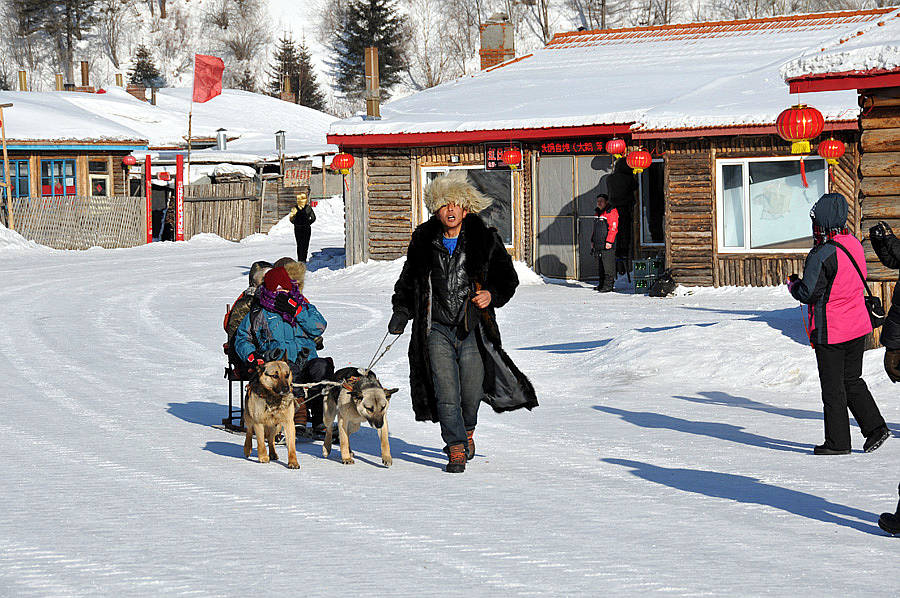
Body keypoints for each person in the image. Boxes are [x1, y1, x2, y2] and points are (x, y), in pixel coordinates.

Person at [388, 171, 538, 473]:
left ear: (466, 208)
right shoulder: (423, 240)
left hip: (472, 328)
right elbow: (409, 281)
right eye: (444, 205)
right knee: (446, 392)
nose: (451, 210)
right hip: (436, 329)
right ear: (436, 209)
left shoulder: (485, 239)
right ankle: (455, 447)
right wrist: (402, 311)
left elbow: (507, 280)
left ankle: (467, 430)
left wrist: (490, 295)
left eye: (456, 204)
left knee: (470, 392)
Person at [788, 193, 889, 455]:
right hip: (857, 326)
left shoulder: (822, 253)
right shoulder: (854, 243)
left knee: (833, 389)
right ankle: (876, 428)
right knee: (852, 380)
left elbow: (808, 293)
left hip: (832, 330)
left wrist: (793, 285)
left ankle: (838, 443)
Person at [234, 264, 333, 432]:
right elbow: (243, 338)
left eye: (285, 291)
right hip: (277, 361)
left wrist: (297, 310)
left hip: (306, 358)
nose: (282, 296)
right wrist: (251, 355)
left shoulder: (303, 306)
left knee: (322, 368)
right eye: (277, 292)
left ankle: (320, 417)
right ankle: (297, 413)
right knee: (287, 371)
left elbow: (319, 326)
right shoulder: (259, 313)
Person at [590, 193, 618, 292]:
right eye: (598, 201)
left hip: (607, 244)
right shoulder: (597, 213)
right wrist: (592, 240)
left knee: (608, 265)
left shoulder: (611, 212)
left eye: (601, 201)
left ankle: (609, 285)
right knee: (600, 265)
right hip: (598, 243)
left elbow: (613, 228)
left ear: (606, 202)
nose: (599, 203)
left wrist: (609, 241)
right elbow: (595, 229)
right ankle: (601, 284)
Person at [289, 189, 316, 262]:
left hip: (298, 229)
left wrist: (296, 223)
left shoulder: (295, 208)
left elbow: (291, 219)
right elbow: (313, 218)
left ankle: (299, 259)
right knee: (305, 244)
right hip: (306, 228)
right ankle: (304, 259)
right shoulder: (308, 208)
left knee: (299, 244)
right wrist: (308, 223)